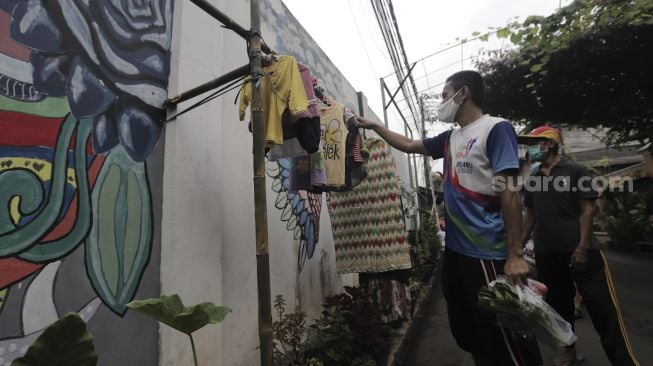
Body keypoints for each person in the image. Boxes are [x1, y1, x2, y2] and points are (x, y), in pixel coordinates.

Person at [356, 70, 542, 365]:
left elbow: (510, 193)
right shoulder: (450, 138)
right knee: (468, 331)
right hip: (456, 253)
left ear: (463, 93)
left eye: (445, 95)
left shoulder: (496, 129)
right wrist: (376, 126)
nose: (442, 102)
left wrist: (515, 255)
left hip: (486, 253)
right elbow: (409, 144)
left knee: (502, 335)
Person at [520, 126, 640, 366]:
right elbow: (530, 216)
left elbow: (588, 210)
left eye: (535, 143)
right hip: (547, 254)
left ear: (549, 144)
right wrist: (515, 250)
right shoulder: (531, 180)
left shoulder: (576, 171)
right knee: (559, 311)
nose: (530, 148)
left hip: (583, 253)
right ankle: (569, 355)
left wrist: (583, 247)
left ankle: (624, 361)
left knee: (603, 311)